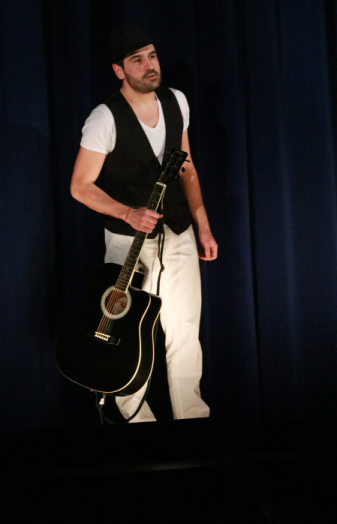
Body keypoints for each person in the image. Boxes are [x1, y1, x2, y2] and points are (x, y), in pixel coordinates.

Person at [70, 23, 218, 423]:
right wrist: (127, 212)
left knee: (184, 331)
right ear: (119, 70)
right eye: (137, 60)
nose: (149, 65)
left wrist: (203, 224)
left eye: (152, 56)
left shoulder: (176, 101)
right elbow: (80, 186)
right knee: (131, 335)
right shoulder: (104, 118)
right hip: (129, 243)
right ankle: (139, 424)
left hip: (178, 233)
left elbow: (187, 169)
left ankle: (192, 421)